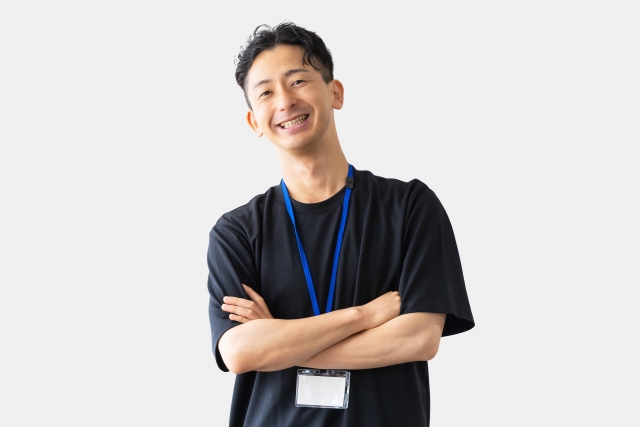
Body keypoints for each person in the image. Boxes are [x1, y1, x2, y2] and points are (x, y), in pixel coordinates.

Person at [207, 22, 474, 427]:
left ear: (335, 93)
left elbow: (419, 338)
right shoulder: (236, 232)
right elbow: (240, 352)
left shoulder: (410, 206)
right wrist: (363, 316)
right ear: (254, 122)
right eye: (266, 92)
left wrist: (278, 340)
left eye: (298, 81)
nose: (285, 101)